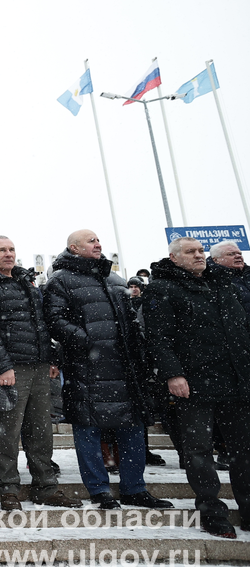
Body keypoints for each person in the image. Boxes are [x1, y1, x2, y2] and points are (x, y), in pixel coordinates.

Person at [43, 229, 173, 510]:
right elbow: (54, 320)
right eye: (90, 240)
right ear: (74, 248)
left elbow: (132, 320)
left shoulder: (114, 279)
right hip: (86, 366)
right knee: (88, 428)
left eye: (98, 239)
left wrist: (138, 348)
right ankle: (99, 489)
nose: (97, 243)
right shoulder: (60, 280)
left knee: (132, 427)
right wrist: (88, 341)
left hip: (125, 368)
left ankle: (134, 488)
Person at [142, 237, 250, 538]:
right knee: (199, 451)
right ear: (174, 258)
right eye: (191, 252)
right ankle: (211, 512)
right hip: (194, 383)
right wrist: (173, 374)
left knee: (244, 450)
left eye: (201, 251)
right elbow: (159, 337)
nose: (199, 255)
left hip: (235, 381)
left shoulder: (222, 283)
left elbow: (241, 328)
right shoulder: (162, 288)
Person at [0, 236, 79, 510]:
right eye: (2, 250)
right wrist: (3, 367)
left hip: (39, 366)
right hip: (12, 368)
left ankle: (46, 487)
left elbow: (41, 324)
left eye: (11, 249)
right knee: (8, 432)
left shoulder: (25, 281)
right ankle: (8, 488)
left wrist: (51, 357)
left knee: (41, 431)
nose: (8, 254)